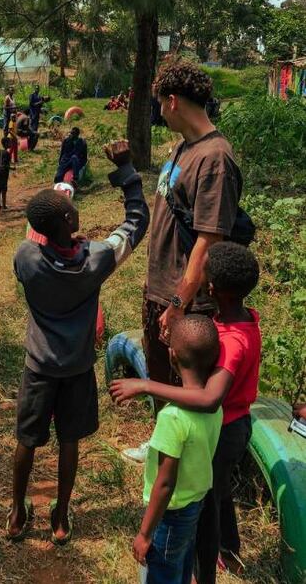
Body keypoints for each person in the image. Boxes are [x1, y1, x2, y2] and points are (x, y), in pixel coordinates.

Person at [7, 140, 148, 545]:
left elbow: (42, 249)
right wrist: (126, 170)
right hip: (77, 368)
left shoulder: (25, 257)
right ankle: (62, 516)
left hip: (38, 368)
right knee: (69, 441)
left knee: (26, 441)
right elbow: (137, 222)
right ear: (71, 219)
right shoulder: (96, 260)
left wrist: (67, 238)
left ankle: (17, 512)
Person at [110, 242, 261, 582]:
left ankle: (203, 571)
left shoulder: (234, 341)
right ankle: (226, 551)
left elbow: (209, 398)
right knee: (216, 493)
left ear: (212, 288)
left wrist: (146, 385)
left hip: (226, 428)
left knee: (207, 509)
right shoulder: (237, 320)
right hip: (226, 424)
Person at [130, 58, 244, 463]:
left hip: (187, 299)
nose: (159, 112)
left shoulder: (215, 158)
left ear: (173, 101)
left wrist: (179, 304)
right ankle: (164, 444)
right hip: (163, 287)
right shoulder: (183, 148)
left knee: (186, 382)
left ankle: (188, 463)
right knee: (161, 370)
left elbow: (209, 240)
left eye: (160, 103)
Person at [132, 315, 223, 584]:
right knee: (182, 567)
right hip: (195, 503)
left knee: (162, 573)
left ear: (172, 356)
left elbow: (165, 482)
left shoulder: (171, 418)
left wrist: (145, 534)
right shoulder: (215, 407)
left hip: (170, 514)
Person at [0, 136, 11, 210]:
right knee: (4, 188)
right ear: (6, 143)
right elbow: (6, 165)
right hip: (4, 172)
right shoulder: (7, 153)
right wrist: (12, 168)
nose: (10, 143)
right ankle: (4, 205)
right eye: (9, 142)